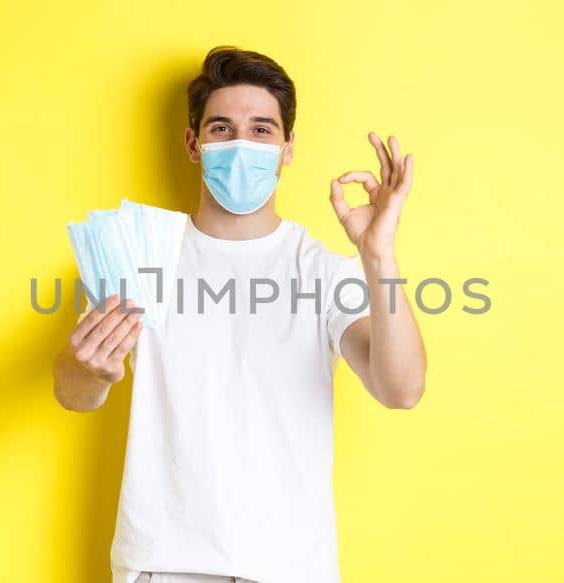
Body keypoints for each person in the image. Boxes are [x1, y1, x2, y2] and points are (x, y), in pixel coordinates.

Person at [52, 45, 428, 583]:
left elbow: (402, 389)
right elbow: (73, 394)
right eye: (222, 129)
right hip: (164, 564)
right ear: (194, 143)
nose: (241, 145)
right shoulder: (140, 254)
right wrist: (89, 368)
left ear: (287, 148)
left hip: (290, 567)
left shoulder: (323, 270)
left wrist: (379, 257)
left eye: (261, 130)